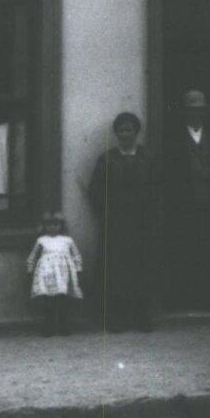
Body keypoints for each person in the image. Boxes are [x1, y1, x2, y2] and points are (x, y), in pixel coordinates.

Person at [85, 111, 157, 333]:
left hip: (141, 223)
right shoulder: (106, 159)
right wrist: (108, 212)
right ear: (116, 133)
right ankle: (115, 319)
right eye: (121, 130)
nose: (126, 134)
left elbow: (157, 189)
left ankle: (141, 317)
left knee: (141, 269)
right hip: (115, 223)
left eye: (130, 130)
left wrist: (149, 213)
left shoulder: (148, 158)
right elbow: (95, 191)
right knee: (114, 271)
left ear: (137, 132)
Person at [165, 88, 210, 310]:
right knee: (187, 250)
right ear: (185, 113)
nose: (196, 114)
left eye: (199, 110)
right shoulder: (174, 139)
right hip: (186, 204)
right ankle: (188, 300)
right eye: (191, 110)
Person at [25, 210, 85, 336]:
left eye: (56, 224)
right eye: (49, 225)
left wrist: (78, 270)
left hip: (63, 274)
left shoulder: (67, 240)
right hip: (46, 273)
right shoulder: (41, 240)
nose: (53, 227)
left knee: (62, 299)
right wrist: (30, 270)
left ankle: (64, 326)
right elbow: (32, 257)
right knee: (48, 301)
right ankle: (49, 326)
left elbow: (76, 256)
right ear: (44, 226)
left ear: (61, 226)